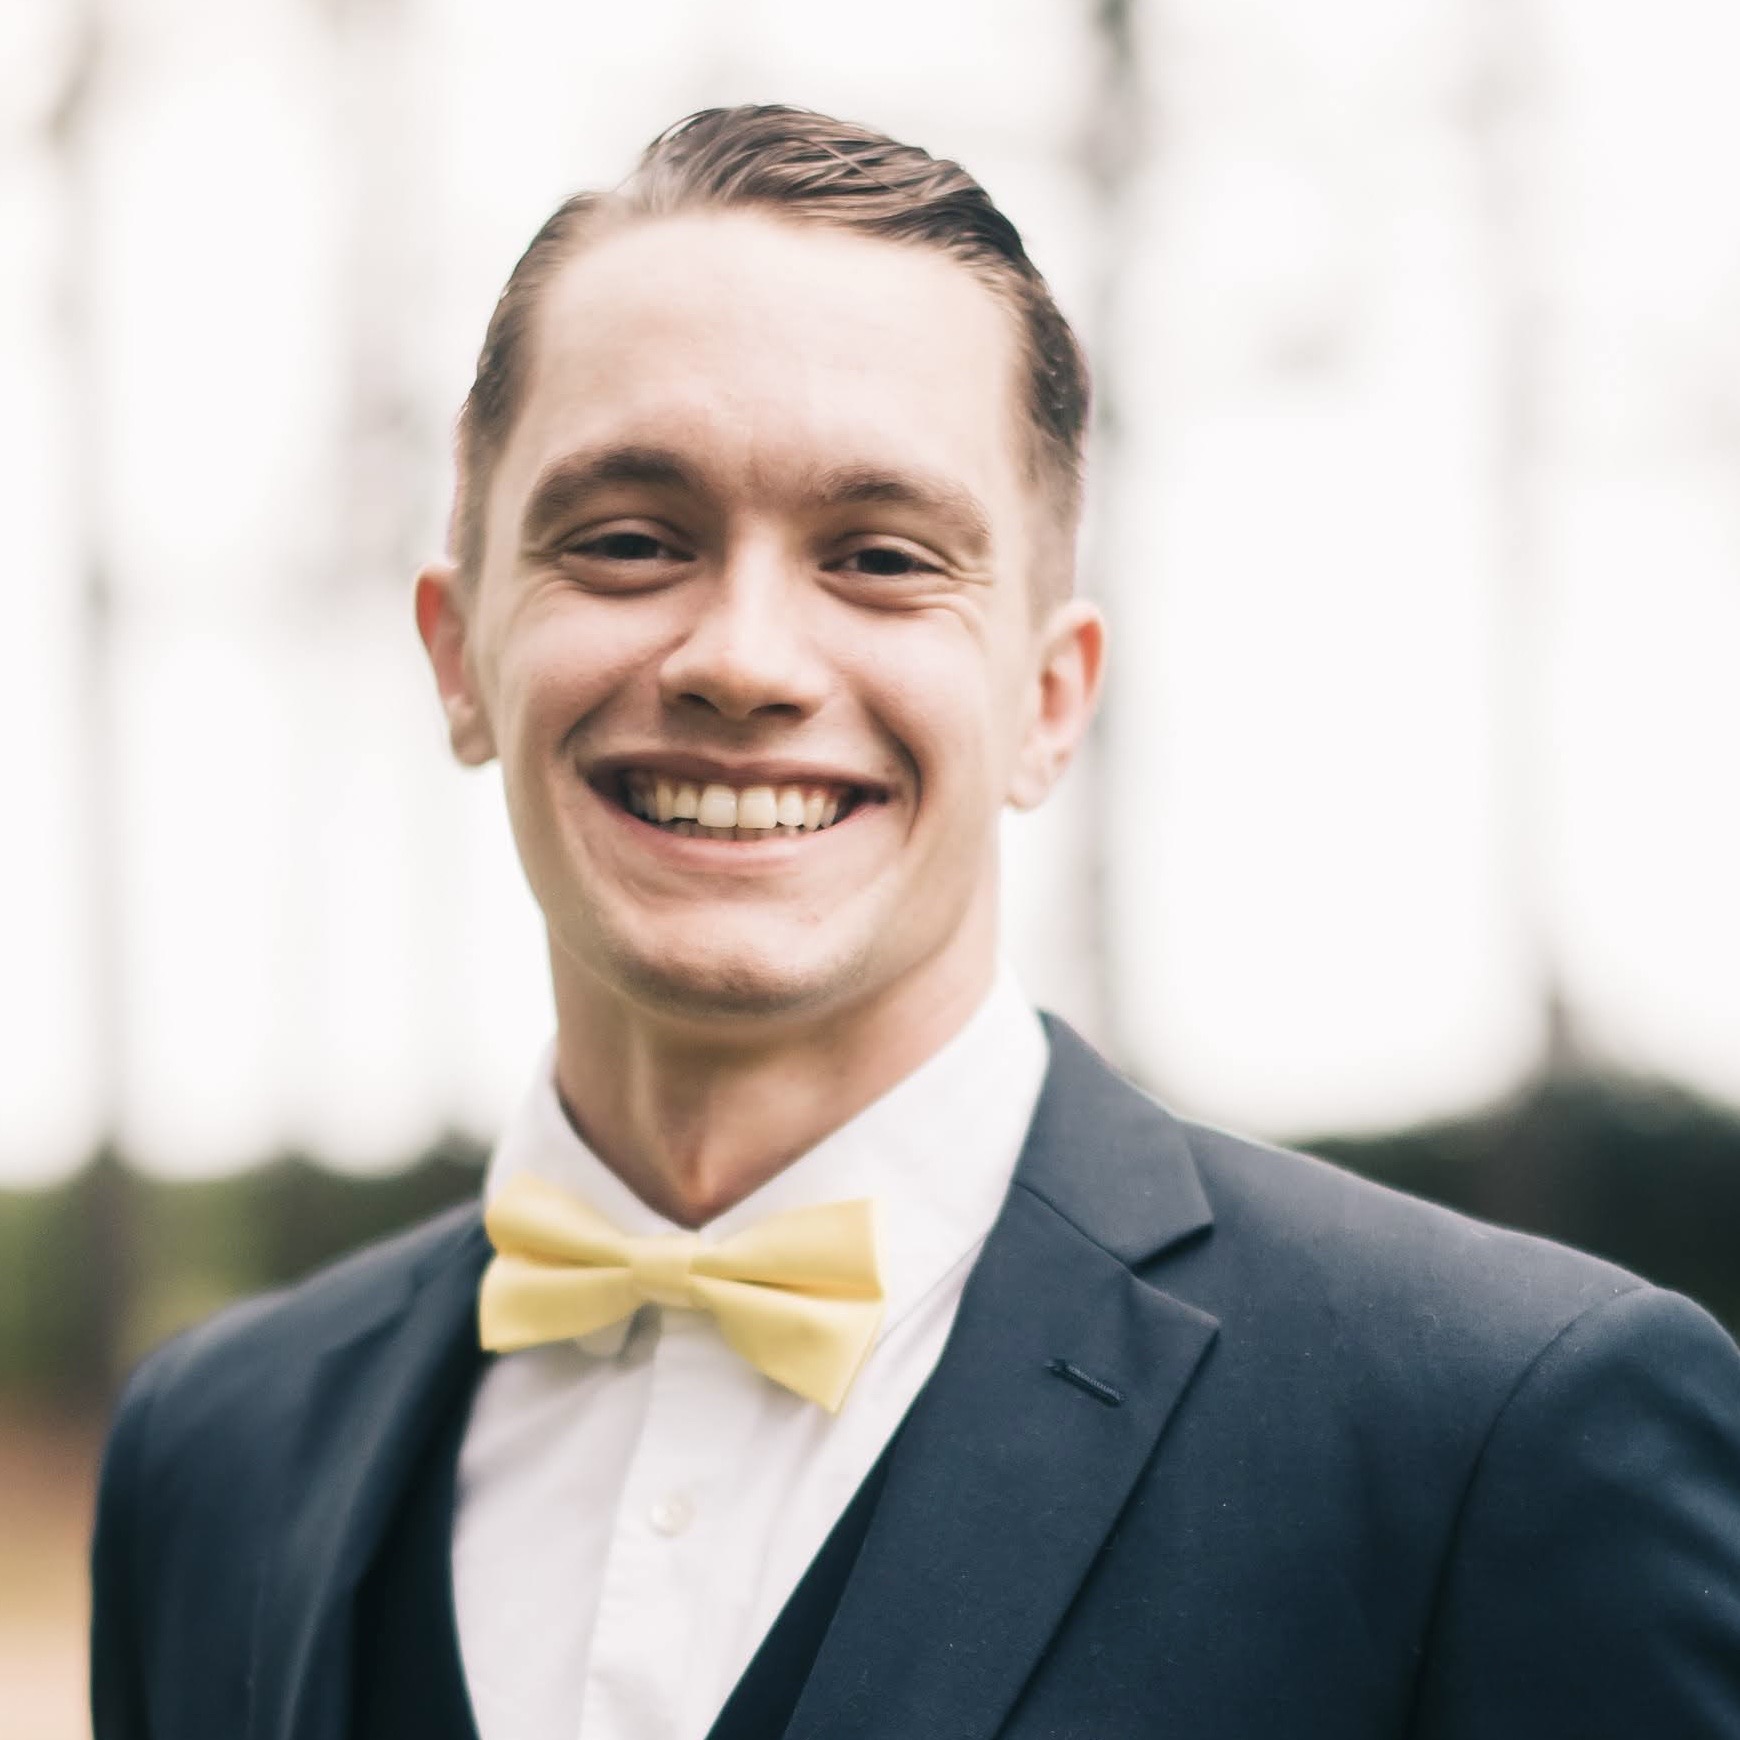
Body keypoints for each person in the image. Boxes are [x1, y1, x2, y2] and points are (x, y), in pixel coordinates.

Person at [89, 105, 1740, 1740]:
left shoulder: (1497, 1430)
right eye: (630, 541)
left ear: (1047, 699)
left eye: (880, 557)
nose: (743, 659)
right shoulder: (208, 1457)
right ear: (461, 658)